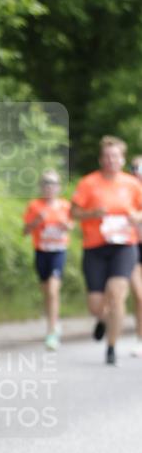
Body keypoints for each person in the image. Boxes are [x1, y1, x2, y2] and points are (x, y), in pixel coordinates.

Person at [70, 136, 142, 365]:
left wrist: (136, 217)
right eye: (107, 156)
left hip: (124, 246)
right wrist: (91, 214)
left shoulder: (132, 184)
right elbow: (73, 212)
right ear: (101, 159)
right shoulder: (88, 183)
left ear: (122, 159)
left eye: (116, 156)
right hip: (95, 248)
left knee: (117, 292)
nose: (111, 160)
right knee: (96, 304)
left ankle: (111, 348)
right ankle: (101, 319)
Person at [22, 170, 72, 350]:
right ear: (41, 187)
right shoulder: (34, 205)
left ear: (58, 187)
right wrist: (36, 221)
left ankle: (51, 333)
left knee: (52, 290)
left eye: (53, 183)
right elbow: (25, 231)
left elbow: (72, 225)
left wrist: (66, 226)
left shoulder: (65, 206)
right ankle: (54, 322)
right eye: (46, 183)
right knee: (46, 292)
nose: (49, 186)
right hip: (41, 252)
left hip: (58, 251)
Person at [129, 155, 142, 356]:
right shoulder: (124, 191)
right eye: (134, 168)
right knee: (139, 296)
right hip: (131, 247)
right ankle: (140, 340)